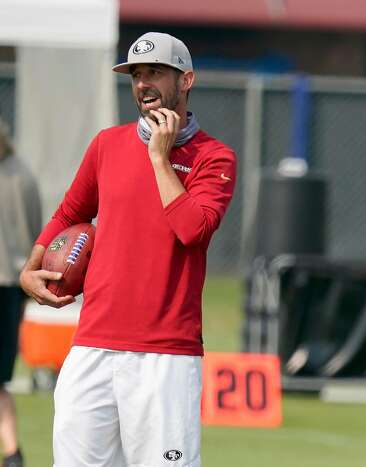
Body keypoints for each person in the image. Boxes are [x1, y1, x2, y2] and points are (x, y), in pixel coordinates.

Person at [19, 32, 237, 467]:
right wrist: (32, 265)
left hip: (166, 355)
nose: (143, 83)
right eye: (136, 75)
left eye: (155, 72)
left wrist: (160, 157)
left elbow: (193, 231)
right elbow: (68, 212)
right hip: (92, 347)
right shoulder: (107, 144)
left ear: (186, 79)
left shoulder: (214, 157)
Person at [0, 118, 41, 467]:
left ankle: (12, 452)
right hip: (12, 286)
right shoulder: (24, 176)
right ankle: (12, 452)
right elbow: (36, 235)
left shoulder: (21, 176)